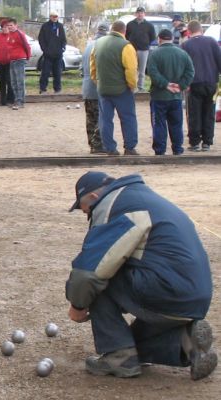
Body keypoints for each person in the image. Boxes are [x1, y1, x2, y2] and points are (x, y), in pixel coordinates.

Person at [66, 171, 217, 380]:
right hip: (194, 296)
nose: (89, 216)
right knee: (130, 344)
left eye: (87, 212)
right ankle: (185, 342)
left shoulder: (116, 206)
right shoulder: (143, 198)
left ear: (92, 198)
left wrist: (78, 306)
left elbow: (89, 273)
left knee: (98, 278)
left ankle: (119, 358)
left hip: (167, 290)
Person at [91, 20, 139, 156]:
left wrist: (97, 81)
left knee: (105, 119)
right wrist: (132, 85)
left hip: (103, 88)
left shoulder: (98, 43)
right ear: (124, 31)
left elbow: (92, 66)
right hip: (122, 89)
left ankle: (110, 148)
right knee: (128, 118)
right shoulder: (126, 46)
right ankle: (129, 147)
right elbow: (131, 69)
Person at [147, 29, 194, 156]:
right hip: (176, 96)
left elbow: (152, 73)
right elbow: (190, 71)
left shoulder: (154, 54)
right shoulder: (182, 53)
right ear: (172, 38)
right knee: (176, 124)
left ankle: (160, 150)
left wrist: (166, 84)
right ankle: (177, 149)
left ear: (159, 39)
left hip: (159, 96)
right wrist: (181, 85)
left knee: (159, 124)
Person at [182, 20, 221, 152]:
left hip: (194, 83)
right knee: (209, 112)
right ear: (201, 30)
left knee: (194, 113)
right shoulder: (212, 42)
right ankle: (207, 142)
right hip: (211, 82)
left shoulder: (185, 45)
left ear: (189, 31)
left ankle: (194, 142)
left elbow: (184, 67)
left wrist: (184, 82)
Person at [81, 22, 107, 154]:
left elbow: (81, 68)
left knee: (90, 118)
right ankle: (97, 145)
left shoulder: (88, 46)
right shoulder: (102, 46)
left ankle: (92, 143)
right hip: (97, 87)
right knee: (100, 117)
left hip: (86, 87)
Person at [126, 6, 155, 92]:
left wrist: (145, 43)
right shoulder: (130, 24)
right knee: (132, 69)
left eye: (141, 13)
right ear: (136, 14)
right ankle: (133, 87)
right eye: (138, 13)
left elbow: (152, 38)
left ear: (144, 14)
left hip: (144, 50)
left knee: (142, 70)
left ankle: (141, 87)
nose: (140, 14)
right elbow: (127, 36)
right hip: (132, 50)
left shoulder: (149, 25)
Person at [38, 10, 66, 94]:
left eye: (56, 16)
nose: (55, 18)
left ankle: (57, 89)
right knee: (45, 72)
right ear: (50, 17)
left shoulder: (60, 26)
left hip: (58, 54)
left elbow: (63, 39)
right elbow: (41, 39)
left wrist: (63, 48)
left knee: (57, 72)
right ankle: (43, 89)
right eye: (53, 16)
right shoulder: (45, 26)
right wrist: (45, 50)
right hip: (48, 54)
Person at [6, 18, 30, 110]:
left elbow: (26, 45)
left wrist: (27, 56)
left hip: (20, 59)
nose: (9, 27)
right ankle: (16, 100)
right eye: (8, 26)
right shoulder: (9, 35)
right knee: (13, 82)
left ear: (16, 25)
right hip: (12, 60)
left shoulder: (20, 34)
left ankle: (21, 101)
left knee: (20, 81)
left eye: (11, 25)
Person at [0, 19, 14, 107]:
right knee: (1, 81)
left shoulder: (12, 35)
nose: (5, 29)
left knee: (9, 80)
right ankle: (3, 100)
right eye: (3, 27)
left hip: (10, 61)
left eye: (6, 27)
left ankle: (10, 99)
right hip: (1, 61)